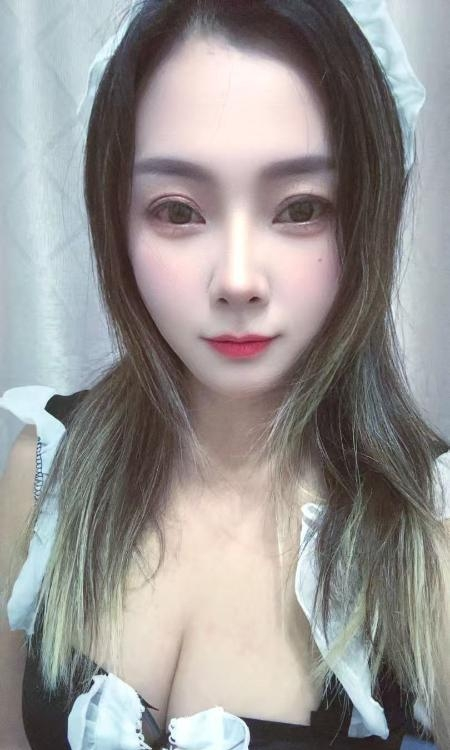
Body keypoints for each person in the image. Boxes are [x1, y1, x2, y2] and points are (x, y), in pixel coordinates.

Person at [1, 1, 449, 749]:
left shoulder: (427, 539)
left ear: (366, 217)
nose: (238, 279)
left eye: (301, 208)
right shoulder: (47, 471)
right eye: (178, 212)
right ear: (117, 220)